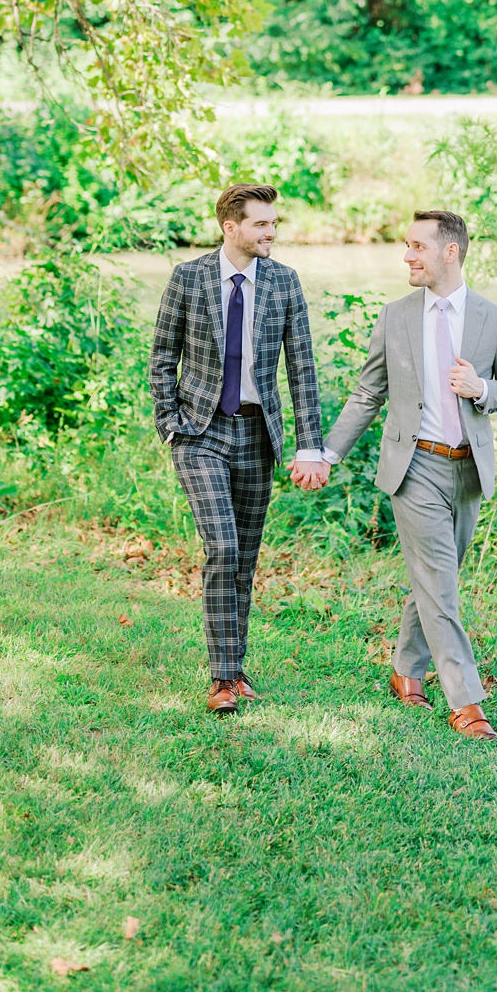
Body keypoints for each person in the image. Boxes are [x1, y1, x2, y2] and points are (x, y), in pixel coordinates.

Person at [293, 209, 497, 741]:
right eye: (406, 245)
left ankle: (405, 670)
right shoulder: (395, 316)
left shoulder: (495, 319)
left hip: (469, 470)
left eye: (417, 246)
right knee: (441, 587)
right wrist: (326, 455)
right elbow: (367, 393)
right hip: (414, 465)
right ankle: (466, 702)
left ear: (451, 252)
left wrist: (483, 390)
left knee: (432, 581)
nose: (407, 255)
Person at [149, 183, 325, 715]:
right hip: (199, 431)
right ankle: (223, 678)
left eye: (274, 224)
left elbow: (302, 368)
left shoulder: (284, 283)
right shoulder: (189, 278)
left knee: (243, 558)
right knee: (223, 546)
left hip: (257, 435)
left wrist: (310, 444)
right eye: (261, 224)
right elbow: (161, 356)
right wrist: (170, 424)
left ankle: (233, 672)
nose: (271, 232)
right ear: (232, 227)